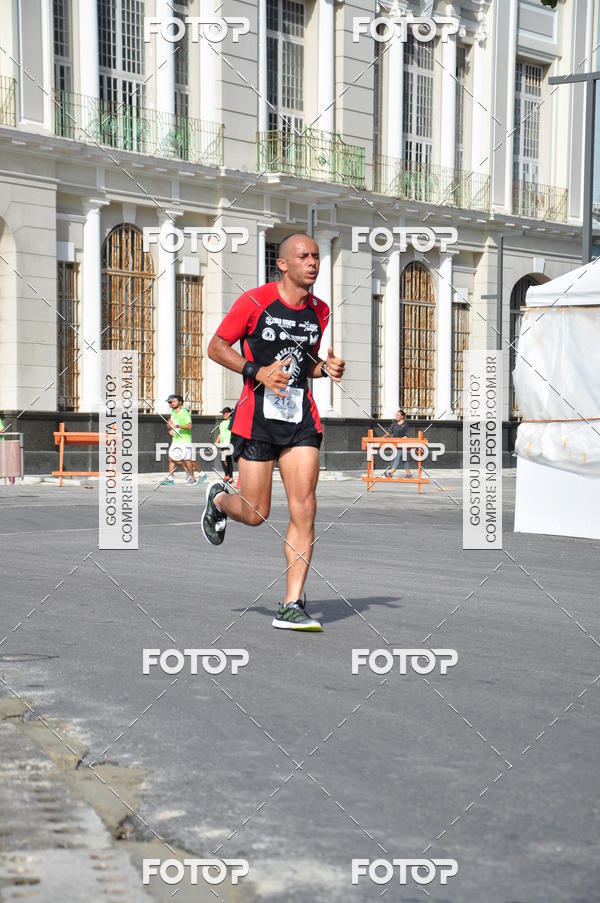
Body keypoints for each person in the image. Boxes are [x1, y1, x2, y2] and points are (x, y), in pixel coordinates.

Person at [202, 233, 345, 631]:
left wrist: (326, 369)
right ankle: (219, 502)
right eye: (303, 256)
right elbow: (216, 347)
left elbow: (308, 363)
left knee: (306, 508)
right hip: (257, 419)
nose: (313, 263)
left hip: (300, 420)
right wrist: (256, 371)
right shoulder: (254, 301)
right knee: (254, 512)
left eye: (316, 256)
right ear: (283, 264)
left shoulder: (320, 309)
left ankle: (293, 603)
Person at [161, 394, 207, 485]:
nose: (172, 403)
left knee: (188, 460)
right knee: (171, 458)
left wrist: (177, 426)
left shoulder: (185, 413)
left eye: (174, 401)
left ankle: (196, 476)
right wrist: (170, 429)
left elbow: (189, 426)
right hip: (176, 439)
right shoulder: (173, 412)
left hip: (185, 440)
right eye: (171, 402)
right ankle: (170, 479)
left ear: (180, 402)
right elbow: (171, 425)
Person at [384, 409, 413, 479]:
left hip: (403, 444)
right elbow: (389, 433)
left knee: (397, 456)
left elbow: (407, 434)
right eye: (396, 415)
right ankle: (409, 474)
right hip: (395, 444)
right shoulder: (394, 424)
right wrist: (383, 438)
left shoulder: (405, 425)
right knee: (404, 459)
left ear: (402, 416)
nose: (396, 416)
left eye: (398, 415)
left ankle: (391, 473)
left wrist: (405, 437)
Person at [218, 407, 234, 483]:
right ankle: (230, 477)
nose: (223, 415)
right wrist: (216, 442)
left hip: (229, 443)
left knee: (223, 459)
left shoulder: (232, 422)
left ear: (228, 413)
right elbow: (220, 434)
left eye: (224, 413)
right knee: (227, 460)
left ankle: (227, 475)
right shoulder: (222, 423)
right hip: (222, 444)